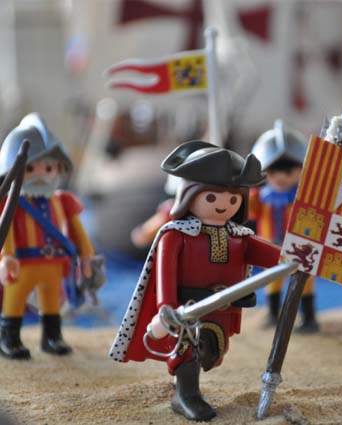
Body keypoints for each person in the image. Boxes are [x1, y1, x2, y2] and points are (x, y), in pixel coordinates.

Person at [109, 141, 281, 422]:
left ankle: (190, 385)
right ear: (190, 195)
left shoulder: (239, 236)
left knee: (214, 349)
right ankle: (186, 394)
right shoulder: (176, 234)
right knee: (186, 349)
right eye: (212, 197)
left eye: (232, 199)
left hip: (223, 307)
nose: (223, 205)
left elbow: (269, 254)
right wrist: (165, 307)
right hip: (186, 307)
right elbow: (164, 273)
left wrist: (293, 257)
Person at [0, 113, 96, 359]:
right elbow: (6, 230)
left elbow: (78, 231)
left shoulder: (62, 201)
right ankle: (10, 339)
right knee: (14, 301)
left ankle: (52, 337)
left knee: (52, 301)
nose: (41, 174)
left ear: (59, 168)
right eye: (30, 168)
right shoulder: (12, 203)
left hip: (54, 263)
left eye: (49, 167)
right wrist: (6, 256)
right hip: (22, 264)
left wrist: (87, 255)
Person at [249, 120, 318, 332]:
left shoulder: (304, 197)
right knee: (273, 281)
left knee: (304, 282)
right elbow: (249, 213)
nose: (281, 177)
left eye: (288, 171)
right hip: (271, 246)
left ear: (300, 170)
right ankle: (272, 314)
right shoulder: (260, 197)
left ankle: (309, 318)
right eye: (274, 171)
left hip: (300, 246)